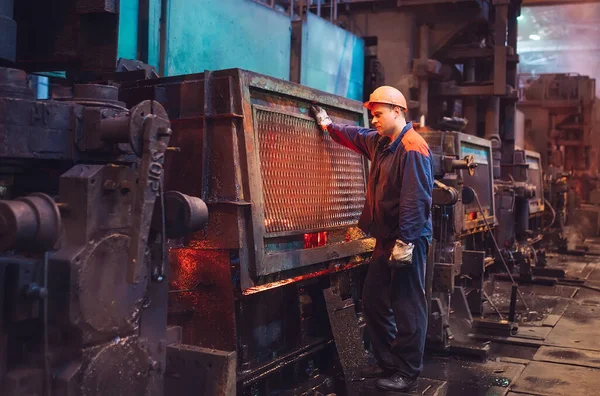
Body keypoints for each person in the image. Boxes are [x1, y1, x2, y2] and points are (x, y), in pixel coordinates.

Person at [311, 86, 433, 392]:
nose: (374, 120)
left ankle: (407, 371)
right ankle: (387, 361)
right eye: (372, 115)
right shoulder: (381, 142)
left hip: (408, 239)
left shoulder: (412, 148)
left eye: (378, 114)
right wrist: (327, 125)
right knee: (374, 301)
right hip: (385, 237)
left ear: (397, 111)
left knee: (406, 305)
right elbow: (354, 135)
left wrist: (406, 243)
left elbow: (415, 200)